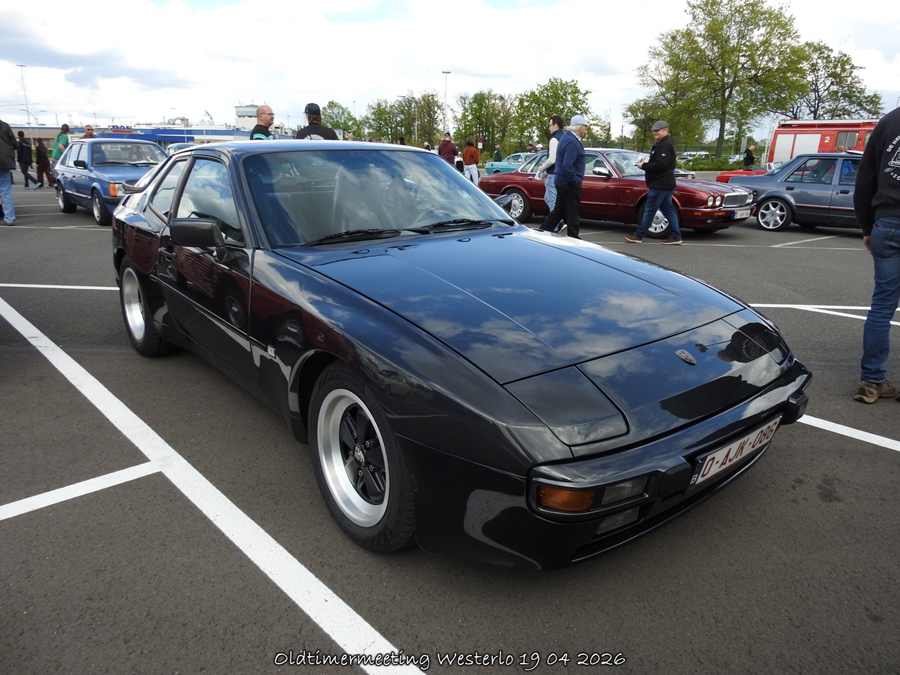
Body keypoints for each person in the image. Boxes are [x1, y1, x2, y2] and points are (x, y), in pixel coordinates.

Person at [852, 106, 900, 403]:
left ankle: (871, 381)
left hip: (888, 223)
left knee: (882, 307)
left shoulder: (889, 122)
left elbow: (865, 180)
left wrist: (867, 226)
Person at [625, 120, 683, 245]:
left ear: (665, 130)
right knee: (667, 210)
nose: (655, 133)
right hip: (665, 183)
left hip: (660, 184)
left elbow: (661, 165)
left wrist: (644, 166)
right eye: (654, 131)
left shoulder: (665, 145)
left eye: (658, 130)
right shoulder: (662, 144)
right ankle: (676, 235)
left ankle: (639, 234)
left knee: (650, 210)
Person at [539, 114, 588, 238]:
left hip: (562, 181)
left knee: (558, 212)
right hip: (568, 183)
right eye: (585, 126)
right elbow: (567, 164)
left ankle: (541, 233)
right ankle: (574, 238)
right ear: (580, 127)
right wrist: (575, 181)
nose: (585, 129)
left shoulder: (567, 138)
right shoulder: (572, 142)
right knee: (572, 212)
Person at [537, 115, 565, 213]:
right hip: (563, 175)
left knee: (552, 201)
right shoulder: (565, 138)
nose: (549, 128)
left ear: (555, 126)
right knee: (549, 198)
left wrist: (542, 168)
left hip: (553, 174)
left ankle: (557, 221)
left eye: (550, 125)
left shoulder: (554, 139)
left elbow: (552, 159)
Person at [0, 117, 16, 225]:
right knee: (5, 191)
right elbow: (14, 144)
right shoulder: (5, 126)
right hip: (5, 160)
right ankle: (9, 218)